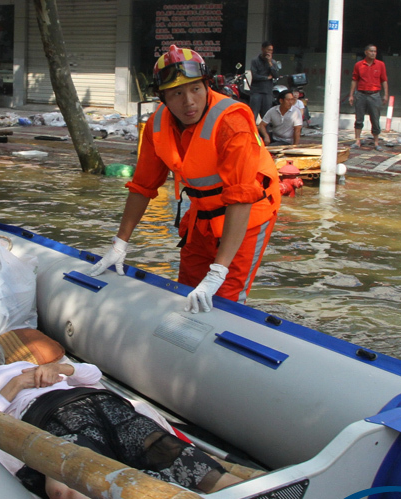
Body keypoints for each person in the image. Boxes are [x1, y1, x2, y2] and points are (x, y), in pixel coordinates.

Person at [0, 334, 242, 499]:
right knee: (66, 491)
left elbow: (93, 377)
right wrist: (16, 385)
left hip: (98, 402)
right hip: (48, 414)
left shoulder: (25, 363)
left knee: (184, 460)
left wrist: (64, 369)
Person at [89, 45, 281, 311]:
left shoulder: (232, 122)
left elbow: (241, 196)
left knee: (224, 299)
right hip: (201, 214)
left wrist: (218, 271)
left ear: (206, 85)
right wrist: (120, 244)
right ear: (163, 97)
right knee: (187, 289)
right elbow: (142, 186)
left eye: (195, 89)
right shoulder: (157, 124)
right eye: (177, 93)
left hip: (247, 212)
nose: (189, 101)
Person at [348, 44, 389, 150]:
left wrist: (385, 94)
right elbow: (354, 80)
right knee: (359, 119)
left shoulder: (380, 65)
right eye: (371, 51)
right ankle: (357, 141)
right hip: (361, 94)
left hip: (375, 95)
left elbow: (384, 80)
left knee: (375, 119)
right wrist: (351, 95)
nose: (373, 53)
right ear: (366, 52)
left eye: (375, 51)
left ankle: (376, 142)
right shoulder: (358, 65)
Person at [249, 41, 280, 123]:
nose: (269, 52)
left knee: (266, 116)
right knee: (253, 115)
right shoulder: (255, 61)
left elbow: (276, 75)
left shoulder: (273, 62)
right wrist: (266, 77)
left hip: (267, 91)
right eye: (268, 50)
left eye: (271, 50)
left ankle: (265, 134)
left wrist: (269, 63)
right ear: (263, 49)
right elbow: (254, 76)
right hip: (256, 91)